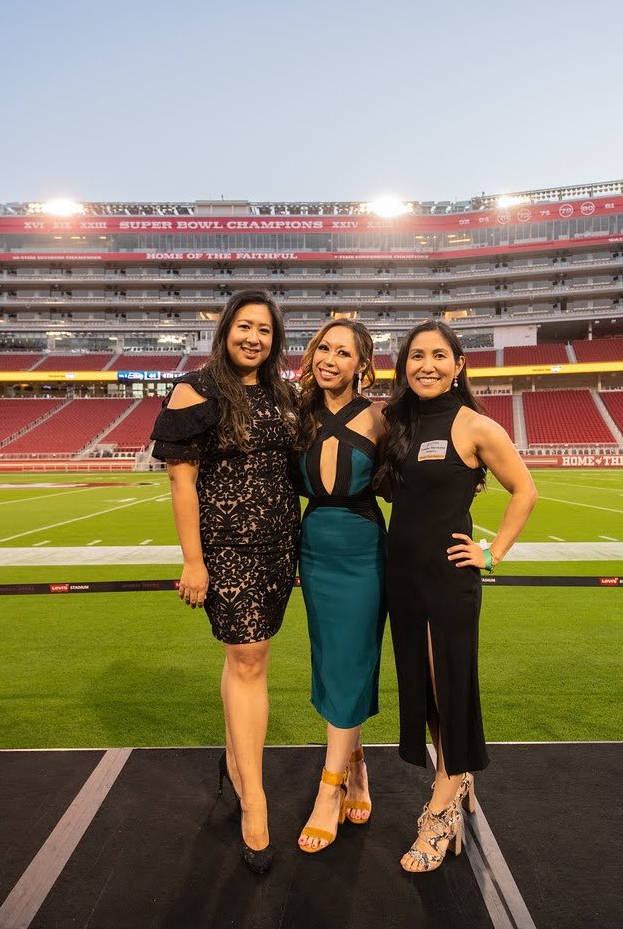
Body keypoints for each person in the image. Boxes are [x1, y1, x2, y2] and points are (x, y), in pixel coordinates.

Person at [376, 320, 537, 873]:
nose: (427, 365)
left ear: (458, 364)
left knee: (447, 683)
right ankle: (457, 774)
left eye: (439, 355)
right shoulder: (395, 422)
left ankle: (441, 808)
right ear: (404, 365)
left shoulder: (475, 425)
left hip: (448, 578)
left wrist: (493, 552)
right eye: (416, 355)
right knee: (423, 689)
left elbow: (525, 489)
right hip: (401, 576)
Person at [150, 288, 300, 874]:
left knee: (248, 659)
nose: (253, 338)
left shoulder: (283, 393)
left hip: (279, 545)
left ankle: (236, 762)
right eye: (244, 326)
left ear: (274, 339)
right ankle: (254, 804)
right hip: (226, 545)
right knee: (249, 655)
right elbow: (181, 482)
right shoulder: (197, 389)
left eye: (264, 329)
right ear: (225, 330)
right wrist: (194, 561)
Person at [295, 319, 387, 853]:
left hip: (363, 552)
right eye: (323, 349)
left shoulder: (382, 418)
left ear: (362, 366)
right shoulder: (296, 415)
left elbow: (416, 485)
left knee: (353, 660)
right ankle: (357, 767)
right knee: (332, 661)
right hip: (314, 550)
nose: (330, 359)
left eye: (343, 353)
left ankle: (328, 792)